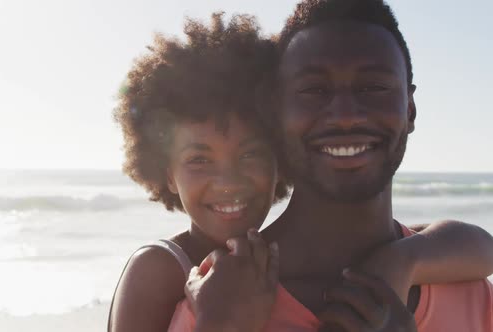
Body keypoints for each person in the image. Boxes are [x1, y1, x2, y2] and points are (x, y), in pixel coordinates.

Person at [110, 9, 493, 332]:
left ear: (409, 108)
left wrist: (401, 261)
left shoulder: (462, 285)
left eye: (373, 87)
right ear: (277, 115)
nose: (345, 117)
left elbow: (475, 243)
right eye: (313, 91)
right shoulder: (193, 290)